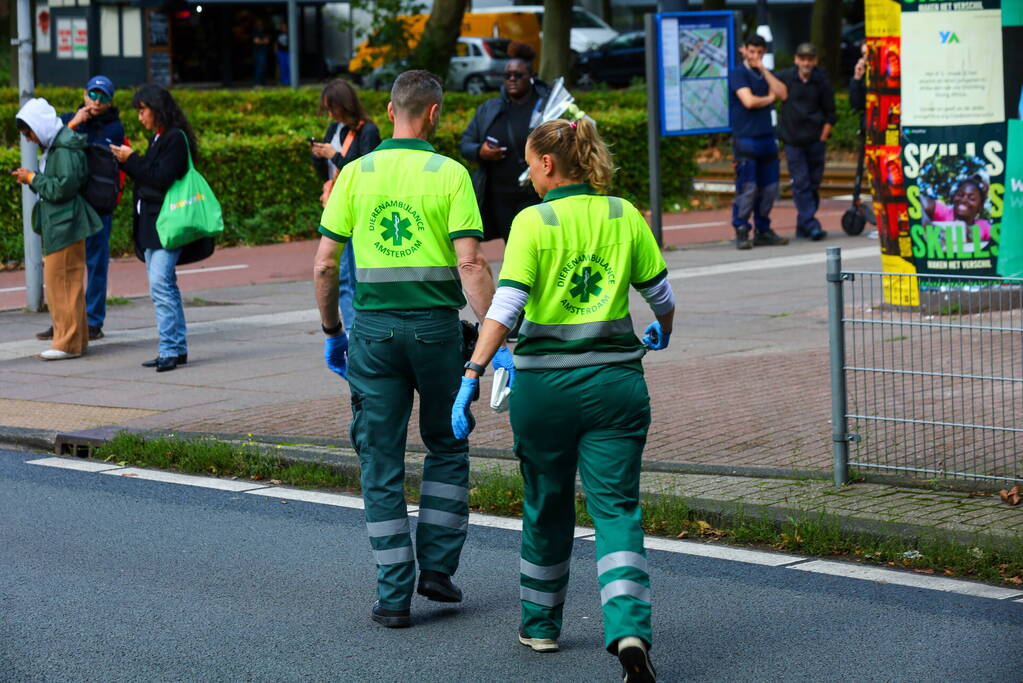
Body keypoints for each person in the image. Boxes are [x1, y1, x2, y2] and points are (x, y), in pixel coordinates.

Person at [451, 118, 675, 683]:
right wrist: (663, 331)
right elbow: (662, 295)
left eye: (528, 162)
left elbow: (506, 305)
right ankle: (628, 633)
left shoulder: (533, 221)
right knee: (617, 510)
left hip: (546, 390)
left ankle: (541, 625)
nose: (526, 172)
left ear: (548, 164)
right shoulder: (624, 213)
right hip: (616, 386)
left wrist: (473, 370)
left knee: (546, 504)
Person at [313, 70, 504, 629]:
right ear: (436, 112)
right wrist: (499, 334)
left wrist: (332, 332)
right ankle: (438, 569)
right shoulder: (451, 174)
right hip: (437, 332)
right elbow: (470, 265)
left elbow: (325, 264)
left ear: (391, 110)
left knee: (380, 459)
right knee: (446, 445)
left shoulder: (355, 172)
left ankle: (394, 597)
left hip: (371, 334)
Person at [109, 84, 213, 372]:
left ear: (158, 109)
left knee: (160, 286)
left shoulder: (174, 139)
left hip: (167, 225)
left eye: (143, 110)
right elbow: (149, 177)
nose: (140, 117)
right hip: (153, 226)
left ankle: (170, 349)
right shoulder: (159, 139)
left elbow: (160, 179)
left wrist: (131, 160)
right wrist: (131, 162)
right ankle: (175, 347)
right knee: (163, 287)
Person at [35, 75, 125, 343]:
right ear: (84, 95)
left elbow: (88, 152)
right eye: (93, 95)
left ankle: (93, 320)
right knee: (65, 263)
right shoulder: (68, 120)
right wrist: (75, 122)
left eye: (103, 97)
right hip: (71, 203)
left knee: (96, 261)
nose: (97, 102)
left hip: (97, 204)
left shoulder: (114, 127)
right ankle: (64, 320)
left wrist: (80, 129)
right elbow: (53, 145)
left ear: (111, 101)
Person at [12, 98, 102, 360]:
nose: (29, 139)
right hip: (67, 223)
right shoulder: (62, 144)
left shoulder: (63, 149)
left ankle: (66, 343)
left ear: (38, 126)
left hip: (64, 223)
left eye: (29, 133)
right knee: (68, 283)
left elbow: (62, 188)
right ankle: (76, 340)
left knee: (59, 283)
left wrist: (31, 178)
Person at [310, 79, 381, 331]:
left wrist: (334, 155)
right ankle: (352, 328)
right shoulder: (334, 128)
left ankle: (356, 330)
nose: (330, 113)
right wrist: (318, 156)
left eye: (332, 108)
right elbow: (328, 172)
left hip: (357, 207)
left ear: (344, 104)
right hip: (336, 204)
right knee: (341, 274)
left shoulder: (367, 130)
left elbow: (366, 169)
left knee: (351, 273)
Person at [459, 47, 549, 244]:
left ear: (531, 77)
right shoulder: (489, 108)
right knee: (514, 249)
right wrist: (480, 151)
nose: (512, 79)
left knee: (537, 246)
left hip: (536, 195)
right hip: (500, 197)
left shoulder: (546, 108)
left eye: (518, 75)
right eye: (507, 75)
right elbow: (465, 143)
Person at [728, 35, 788, 250]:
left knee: (770, 188)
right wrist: (769, 99)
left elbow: (783, 93)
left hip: (767, 140)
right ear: (743, 50)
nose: (755, 57)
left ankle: (763, 229)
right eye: (752, 52)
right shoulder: (738, 74)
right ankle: (742, 229)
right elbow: (749, 101)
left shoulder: (765, 74)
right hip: (746, 140)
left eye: (759, 53)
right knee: (748, 188)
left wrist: (764, 71)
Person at [772, 43, 836, 241]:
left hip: (815, 141)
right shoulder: (786, 77)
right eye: (803, 59)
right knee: (800, 183)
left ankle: (803, 225)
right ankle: (811, 224)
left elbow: (831, 113)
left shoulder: (821, 82)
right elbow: (769, 84)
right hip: (793, 142)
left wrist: (823, 136)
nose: (806, 62)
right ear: (796, 60)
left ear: (815, 61)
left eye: (810, 59)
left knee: (813, 184)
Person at [921, 173, 992, 244]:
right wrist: (933, 229)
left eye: (971, 198)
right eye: (960, 195)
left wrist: (971, 238)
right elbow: (918, 201)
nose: (964, 200)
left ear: (980, 207)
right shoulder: (944, 212)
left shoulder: (983, 226)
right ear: (953, 198)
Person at [252, 19, 271, 86]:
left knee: (264, 67)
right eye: (258, 22)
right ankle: (257, 83)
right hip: (258, 51)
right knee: (259, 67)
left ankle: (263, 82)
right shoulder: (255, 31)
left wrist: (261, 41)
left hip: (264, 51)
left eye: (261, 23)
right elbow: (256, 41)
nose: (260, 24)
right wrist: (263, 41)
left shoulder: (264, 31)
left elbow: (267, 41)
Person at [276, 22, 290, 86]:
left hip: (288, 52)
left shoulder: (290, 33)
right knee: (282, 67)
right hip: (281, 52)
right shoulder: (278, 34)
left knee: (289, 66)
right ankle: (284, 81)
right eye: (282, 27)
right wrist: (276, 52)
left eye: (285, 27)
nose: (284, 28)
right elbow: (275, 43)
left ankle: (289, 81)